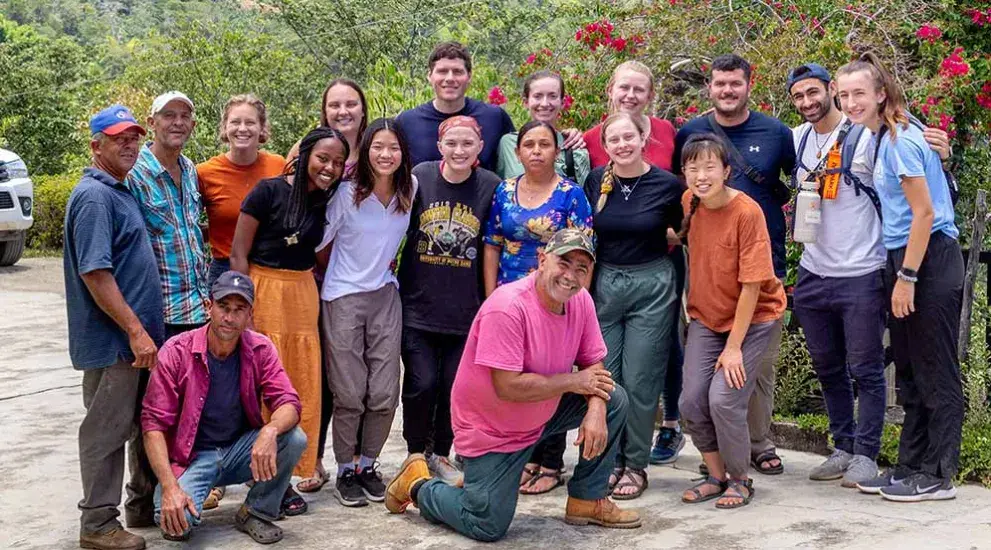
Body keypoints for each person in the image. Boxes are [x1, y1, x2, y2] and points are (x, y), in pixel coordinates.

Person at [385, 228, 642, 541]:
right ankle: (419, 484)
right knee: (485, 523)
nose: (571, 276)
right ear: (542, 259)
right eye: (564, 263)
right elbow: (507, 386)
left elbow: (593, 363)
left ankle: (586, 501)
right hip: (493, 431)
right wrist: (576, 381)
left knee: (613, 398)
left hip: (540, 414)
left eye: (581, 269)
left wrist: (597, 408)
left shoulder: (581, 301)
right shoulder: (507, 307)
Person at [836, 53, 964, 502]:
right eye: (844, 94)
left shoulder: (900, 139)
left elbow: (925, 214)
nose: (851, 102)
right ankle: (909, 465)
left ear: (880, 94)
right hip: (902, 256)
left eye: (859, 94)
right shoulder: (876, 137)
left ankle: (937, 474)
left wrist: (907, 275)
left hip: (928, 259)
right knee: (908, 369)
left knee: (935, 369)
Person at [673, 54, 796, 476]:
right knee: (705, 393)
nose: (727, 90)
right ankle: (720, 465)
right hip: (712, 286)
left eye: (735, 83)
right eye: (720, 84)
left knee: (753, 374)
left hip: (762, 266)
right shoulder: (691, 136)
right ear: (709, 87)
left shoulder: (776, 132)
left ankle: (757, 447)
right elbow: (680, 211)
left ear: (748, 85)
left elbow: (799, 186)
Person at [230, 126, 350, 515]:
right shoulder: (267, 191)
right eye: (323, 158)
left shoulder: (327, 202)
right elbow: (237, 254)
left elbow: (321, 253)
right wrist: (244, 310)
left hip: (302, 296)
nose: (329, 167)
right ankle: (260, 477)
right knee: (261, 386)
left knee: (300, 384)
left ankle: (285, 475)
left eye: (337, 162)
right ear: (304, 156)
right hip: (263, 291)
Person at [141, 271, 307, 544]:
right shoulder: (175, 351)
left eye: (239, 309)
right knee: (175, 524)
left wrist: (270, 431)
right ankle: (186, 492)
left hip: (239, 450)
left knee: (294, 438)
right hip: (193, 458)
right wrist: (171, 487)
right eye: (223, 307)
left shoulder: (261, 348)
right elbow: (153, 425)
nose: (229, 317)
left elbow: (289, 402)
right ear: (209, 307)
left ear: (250, 314)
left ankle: (256, 510)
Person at [64, 105, 164, 550]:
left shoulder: (120, 191)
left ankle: (137, 508)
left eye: (134, 137)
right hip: (114, 345)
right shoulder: (93, 196)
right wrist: (135, 331)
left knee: (136, 424)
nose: (129, 144)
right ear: (96, 145)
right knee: (105, 431)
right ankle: (98, 524)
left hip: (130, 344)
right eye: (118, 137)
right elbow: (96, 272)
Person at [483, 119, 594, 495]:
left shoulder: (571, 195)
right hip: (511, 299)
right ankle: (523, 456)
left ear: (557, 151)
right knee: (519, 378)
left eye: (544, 144)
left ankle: (550, 461)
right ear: (518, 152)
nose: (536, 151)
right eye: (529, 144)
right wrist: (490, 297)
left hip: (556, 298)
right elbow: (492, 243)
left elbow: (584, 256)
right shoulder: (504, 191)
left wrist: (578, 303)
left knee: (554, 375)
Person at [676, 134, 786, 509]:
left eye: (709, 167)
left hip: (755, 318)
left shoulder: (747, 211)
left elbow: (753, 286)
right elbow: (683, 236)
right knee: (691, 401)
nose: (700, 175)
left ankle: (740, 478)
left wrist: (734, 347)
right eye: (692, 168)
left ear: (726, 171)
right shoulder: (691, 201)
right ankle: (715, 474)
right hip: (707, 315)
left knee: (723, 398)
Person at [583, 112, 683, 499]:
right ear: (605, 146)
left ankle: (635, 463)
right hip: (606, 282)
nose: (623, 145)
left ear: (644, 138)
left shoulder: (666, 184)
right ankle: (608, 460)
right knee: (608, 379)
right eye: (614, 140)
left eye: (630, 137)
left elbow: (680, 229)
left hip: (651, 284)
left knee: (641, 380)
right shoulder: (596, 181)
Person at [318, 118, 417, 507]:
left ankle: (368, 465)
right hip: (343, 296)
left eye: (393, 148)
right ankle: (345, 469)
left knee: (384, 391)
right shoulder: (346, 194)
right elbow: (318, 240)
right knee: (349, 391)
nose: (386, 154)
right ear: (366, 151)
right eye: (378, 147)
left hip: (384, 295)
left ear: (403, 153)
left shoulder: (410, 189)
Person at [398, 116, 501, 486]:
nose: (459, 151)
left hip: (466, 310)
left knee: (454, 385)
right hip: (418, 305)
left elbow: (499, 241)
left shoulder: (491, 185)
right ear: (440, 146)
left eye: (467, 144)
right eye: (452, 143)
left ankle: (441, 451)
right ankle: (414, 453)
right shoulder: (419, 177)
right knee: (421, 382)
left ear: (479, 148)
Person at [297, 78, 371, 494]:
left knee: (359, 375)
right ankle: (315, 457)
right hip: (316, 275)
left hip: (363, 281)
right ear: (324, 111)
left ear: (363, 108)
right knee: (323, 374)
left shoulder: (377, 151)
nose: (343, 112)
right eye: (334, 105)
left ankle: (358, 457)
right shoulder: (310, 149)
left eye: (350, 104)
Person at [126, 91, 209, 340]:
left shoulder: (190, 169)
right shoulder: (134, 175)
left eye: (185, 117)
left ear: (192, 125)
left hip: (200, 311)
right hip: (160, 315)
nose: (178, 122)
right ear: (152, 123)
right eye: (169, 115)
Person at [197, 94, 286, 288]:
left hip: (271, 267)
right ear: (225, 127)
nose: (242, 129)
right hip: (225, 268)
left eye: (250, 122)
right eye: (235, 122)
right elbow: (188, 225)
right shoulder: (205, 173)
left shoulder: (278, 166)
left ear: (262, 128)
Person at [395, 41, 515, 170]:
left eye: (457, 71)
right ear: (429, 76)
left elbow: (515, 166)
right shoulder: (406, 122)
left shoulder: (495, 118)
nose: (450, 78)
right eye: (442, 71)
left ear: (469, 76)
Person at [496, 70, 591, 185]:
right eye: (537, 96)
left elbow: (584, 197)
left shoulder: (574, 147)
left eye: (552, 96)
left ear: (562, 102)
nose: (545, 103)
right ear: (526, 102)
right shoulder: (508, 144)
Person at [583, 61, 677, 170]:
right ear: (610, 91)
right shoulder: (589, 139)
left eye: (639, 90)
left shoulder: (666, 129)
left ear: (650, 96)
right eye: (624, 87)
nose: (631, 95)